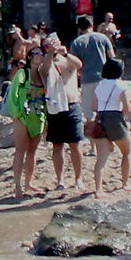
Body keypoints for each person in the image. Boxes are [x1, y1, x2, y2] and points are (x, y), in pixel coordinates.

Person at [2, 41, 45, 199]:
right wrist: (18, 113)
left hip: (38, 113)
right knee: (20, 150)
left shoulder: (43, 75)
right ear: (29, 57)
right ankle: (18, 186)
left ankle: (29, 182)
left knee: (33, 151)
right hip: (22, 114)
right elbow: (14, 94)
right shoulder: (23, 73)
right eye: (36, 54)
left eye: (41, 54)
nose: (39, 56)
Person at [41, 38, 83, 190]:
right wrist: (51, 53)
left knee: (75, 144)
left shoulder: (68, 60)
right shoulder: (46, 63)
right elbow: (44, 70)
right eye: (47, 45)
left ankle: (78, 178)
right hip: (55, 107)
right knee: (57, 145)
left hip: (72, 105)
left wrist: (65, 54)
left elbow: (78, 65)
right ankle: (60, 179)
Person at [90, 57, 131, 194]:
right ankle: (125, 183)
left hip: (101, 118)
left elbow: (94, 106)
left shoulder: (100, 85)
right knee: (126, 152)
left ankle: (98, 189)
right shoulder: (121, 86)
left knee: (101, 159)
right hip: (115, 118)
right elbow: (127, 108)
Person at [69, 15, 113, 91]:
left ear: (79, 28)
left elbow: (75, 64)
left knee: (89, 103)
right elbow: (112, 57)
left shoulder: (75, 43)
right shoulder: (103, 38)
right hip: (103, 78)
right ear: (92, 25)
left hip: (86, 80)